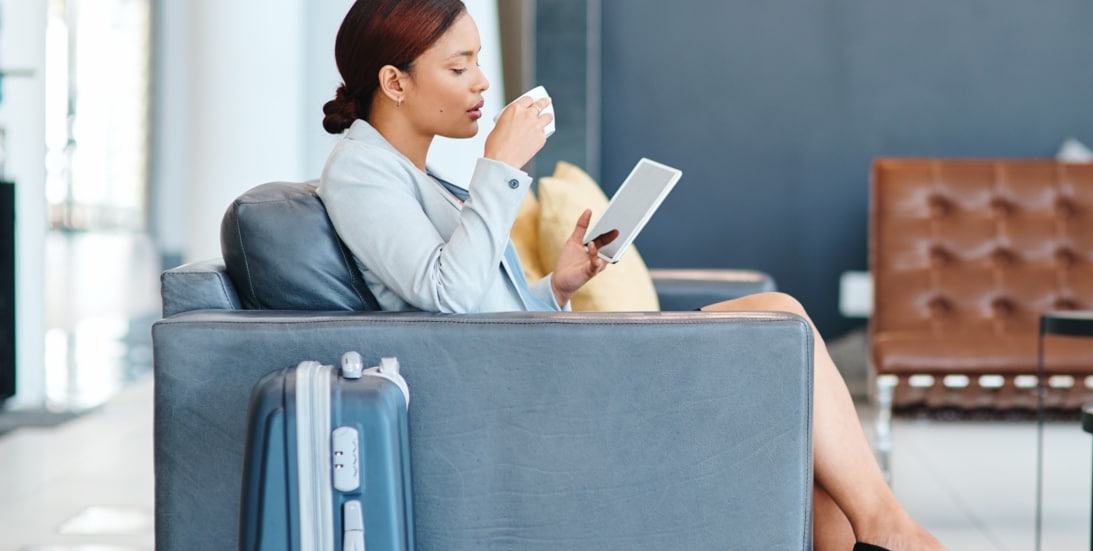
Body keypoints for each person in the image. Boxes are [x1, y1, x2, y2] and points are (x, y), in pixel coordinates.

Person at [317, 2, 946, 550]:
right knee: (782, 320)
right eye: (459, 68)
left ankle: (883, 527)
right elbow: (448, 299)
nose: (482, 81)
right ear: (395, 81)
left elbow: (473, 305)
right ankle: (891, 527)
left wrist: (556, 287)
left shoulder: (419, 176)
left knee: (803, 431)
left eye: (479, 61)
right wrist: (501, 167)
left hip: (532, 366)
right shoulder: (360, 171)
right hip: (524, 394)